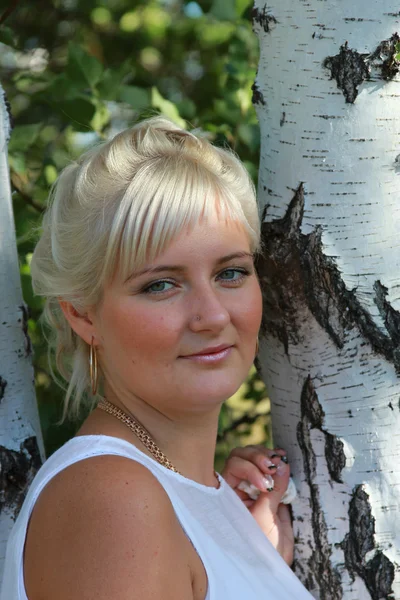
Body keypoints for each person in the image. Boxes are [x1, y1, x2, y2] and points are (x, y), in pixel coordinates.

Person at [1, 117, 313, 600]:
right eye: (160, 284)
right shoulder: (112, 499)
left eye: (231, 272)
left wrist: (249, 558)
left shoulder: (180, 493)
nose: (211, 316)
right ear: (84, 315)